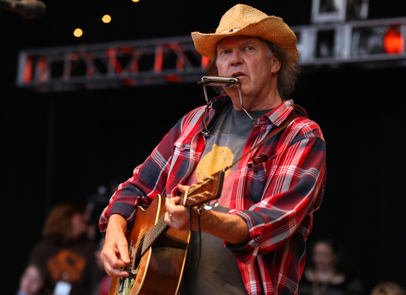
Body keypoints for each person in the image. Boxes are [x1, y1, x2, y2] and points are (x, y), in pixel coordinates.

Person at [99, 4, 327, 295]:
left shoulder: (300, 135)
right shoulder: (194, 122)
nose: (234, 61)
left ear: (274, 63)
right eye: (225, 53)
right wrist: (115, 230)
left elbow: (271, 224)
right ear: (216, 67)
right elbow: (136, 188)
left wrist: (202, 220)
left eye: (248, 49)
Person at [29, 202, 101, 295]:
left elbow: (96, 284)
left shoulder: (90, 248)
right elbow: (32, 279)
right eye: (81, 214)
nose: (86, 218)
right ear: (67, 218)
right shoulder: (44, 248)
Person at [298, 237, 363, 295]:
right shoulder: (299, 275)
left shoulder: (350, 280)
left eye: (325, 255)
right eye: (316, 254)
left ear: (335, 257)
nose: (319, 260)